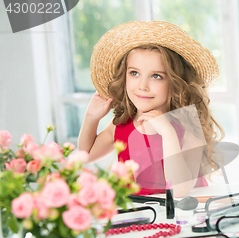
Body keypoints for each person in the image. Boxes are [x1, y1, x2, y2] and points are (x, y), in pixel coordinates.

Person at [78, 21, 224, 197]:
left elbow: (179, 190)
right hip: (144, 216)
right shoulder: (121, 125)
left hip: (185, 216)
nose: (142, 86)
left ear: (175, 82)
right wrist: (91, 117)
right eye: (134, 73)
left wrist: (167, 132)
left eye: (156, 76)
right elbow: (85, 156)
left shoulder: (188, 128)